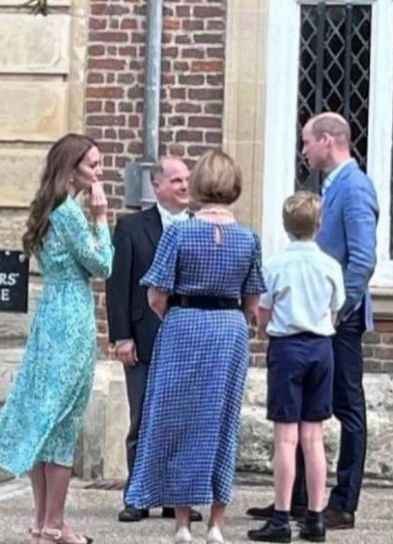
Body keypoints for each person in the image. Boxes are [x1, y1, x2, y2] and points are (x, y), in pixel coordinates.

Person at [124, 150, 266, 544]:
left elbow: (156, 294)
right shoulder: (247, 238)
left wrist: (175, 316)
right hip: (228, 329)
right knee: (221, 421)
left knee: (177, 420)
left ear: (200, 184)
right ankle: (217, 524)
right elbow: (253, 303)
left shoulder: (179, 233)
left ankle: (183, 523)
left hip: (184, 324)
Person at [247, 112, 379, 529]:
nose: (303, 150)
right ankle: (298, 499)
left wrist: (337, 312)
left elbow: (362, 259)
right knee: (305, 412)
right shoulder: (328, 186)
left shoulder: (354, 187)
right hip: (322, 318)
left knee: (344, 405)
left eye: (306, 142)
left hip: (335, 319)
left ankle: (342, 501)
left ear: (327, 140)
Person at [0, 133, 113, 544]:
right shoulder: (70, 213)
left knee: (46, 416)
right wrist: (102, 218)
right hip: (70, 316)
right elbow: (102, 264)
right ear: (71, 169)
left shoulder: (47, 209)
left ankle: (45, 521)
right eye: (92, 165)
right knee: (63, 420)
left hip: (50, 316)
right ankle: (54, 522)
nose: (98, 172)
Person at [106, 156, 202, 524]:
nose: (183, 186)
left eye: (187, 180)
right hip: (144, 337)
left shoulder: (200, 227)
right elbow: (118, 285)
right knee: (142, 419)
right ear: (157, 186)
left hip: (187, 339)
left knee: (181, 421)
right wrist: (121, 337)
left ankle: (177, 498)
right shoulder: (132, 227)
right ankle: (138, 495)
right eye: (176, 180)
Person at [247, 192, 345, 543]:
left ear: (286, 226)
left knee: (286, 439)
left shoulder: (273, 265)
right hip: (321, 347)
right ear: (319, 226)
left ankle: (282, 517)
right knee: (314, 437)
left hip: (287, 348)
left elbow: (263, 311)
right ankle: (316, 518)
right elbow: (335, 310)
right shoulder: (331, 266)